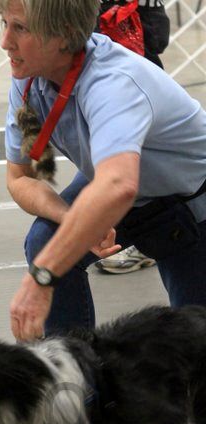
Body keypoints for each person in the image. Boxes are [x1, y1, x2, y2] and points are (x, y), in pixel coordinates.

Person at [0, 0, 206, 341]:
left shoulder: (113, 82)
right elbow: (18, 178)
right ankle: (75, 378)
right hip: (126, 183)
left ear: (63, 35)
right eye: (3, 23)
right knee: (47, 239)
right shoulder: (30, 77)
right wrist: (69, 218)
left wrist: (41, 277)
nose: (5, 41)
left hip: (191, 203)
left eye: (20, 27)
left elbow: (118, 185)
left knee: (196, 345)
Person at [96, 0, 169, 274]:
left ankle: (144, 239)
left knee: (139, 164)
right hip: (98, 82)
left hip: (137, 81)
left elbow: (158, 39)